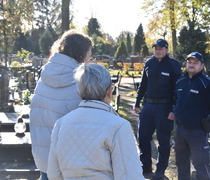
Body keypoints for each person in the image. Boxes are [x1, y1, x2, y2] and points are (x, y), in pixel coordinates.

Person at [47, 63, 145, 180]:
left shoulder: (61, 124)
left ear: (79, 93)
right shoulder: (119, 126)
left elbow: (54, 174)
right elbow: (130, 176)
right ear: (110, 90)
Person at [30, 30, 92, 180]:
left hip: (43, 156)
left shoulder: (45, 73)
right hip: (70, 161)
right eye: (90, 51)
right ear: (81, 53)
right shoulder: (82, 79)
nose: (91, 56)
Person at [134, 39, 182, 180]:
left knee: (163, 141)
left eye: (161, 48)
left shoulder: (173, 65)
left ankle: (160, 170)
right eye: (156, 48)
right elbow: (143, 85)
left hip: (164, 107)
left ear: (166, 49)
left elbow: (178, 90)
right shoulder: (149, 63)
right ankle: (146, 167)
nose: (158, 51)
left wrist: (174, 109)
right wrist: (137, 103)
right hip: (148, 106)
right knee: (143, 138)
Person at [173, 52, 210, 180]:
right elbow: (177, 100)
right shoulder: (180, 81)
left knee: (201, 167)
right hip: (180, 130)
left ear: (202, 66)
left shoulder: (206, 83)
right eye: (190, 62)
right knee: (181, 165)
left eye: (195, 63)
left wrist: (201, 115)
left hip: (197, 131)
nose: (192, 65)